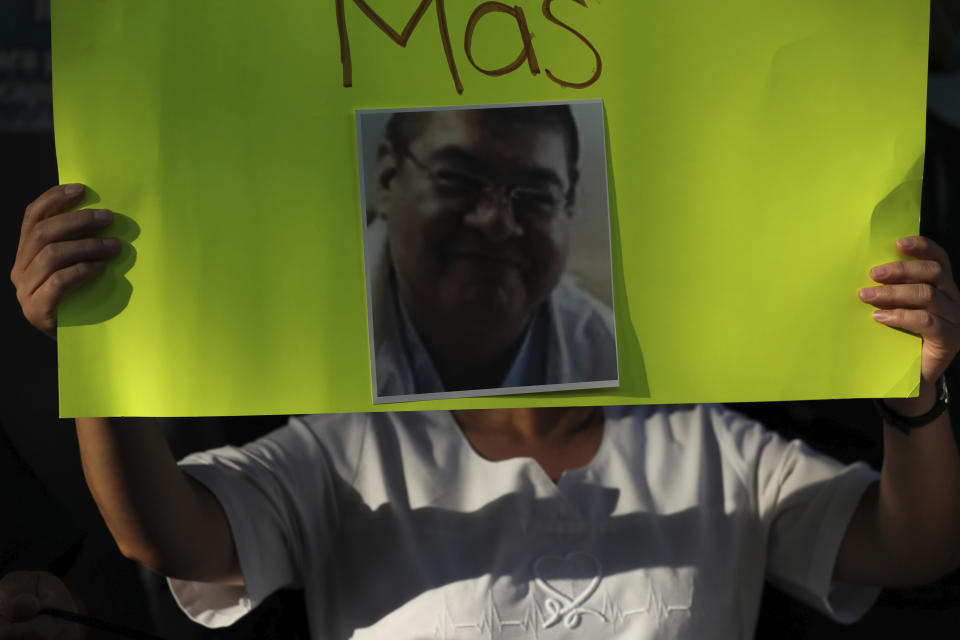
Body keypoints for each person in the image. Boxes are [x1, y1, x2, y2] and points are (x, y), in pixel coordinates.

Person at [4, 183, 960, 640]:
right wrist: (102, 358)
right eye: (460, 202)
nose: (499, 231)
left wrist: (914, 393)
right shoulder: (352, 450)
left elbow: (910, 548)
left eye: (538, 203)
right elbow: (168, 538)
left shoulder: (708, 444)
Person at [364, 104, 618, 399]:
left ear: (568, 206)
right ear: (387, 179)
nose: (496, 223)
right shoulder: (310, 338)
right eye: (459, 179)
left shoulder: (608, 358)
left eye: (536, 197)